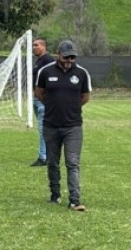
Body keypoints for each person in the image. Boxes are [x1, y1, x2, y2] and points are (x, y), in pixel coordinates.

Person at [35, 40, 91, 211]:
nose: (69, 61)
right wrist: (54, 106)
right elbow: (39, 93)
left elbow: (85, 96)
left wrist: (71, 108)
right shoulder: (45, 71)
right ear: (58, 54)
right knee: (52, 162)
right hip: (50, 125)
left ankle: (74, 200)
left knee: (72, 163)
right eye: (66, 57)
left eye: (72, 57)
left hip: (73, 126)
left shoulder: (82, 73)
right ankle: (55, 194)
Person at [30, 37, 55, 166]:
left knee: (43, 129)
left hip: (43, 101)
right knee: (43, 129)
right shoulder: (38, 61)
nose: (34, 47)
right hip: (36, 99)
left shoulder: (48, 60)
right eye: (33, 45)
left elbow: (53, 78)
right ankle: (47, 155)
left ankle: (44, 157)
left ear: (44, 47)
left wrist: (46, 98)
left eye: (37, 45)